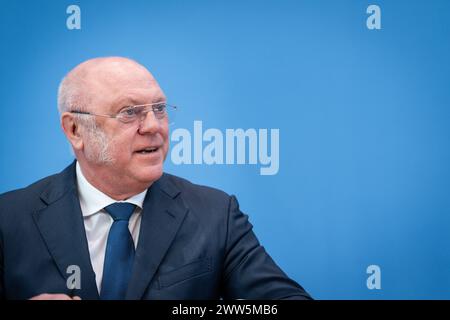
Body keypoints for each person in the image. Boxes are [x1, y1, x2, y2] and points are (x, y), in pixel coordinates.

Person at [0, 57, 311, 300]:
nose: (153, 126)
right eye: (129, 112)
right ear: (75, 130)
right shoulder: (9, 219)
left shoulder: (216, 215)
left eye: (159, 109)